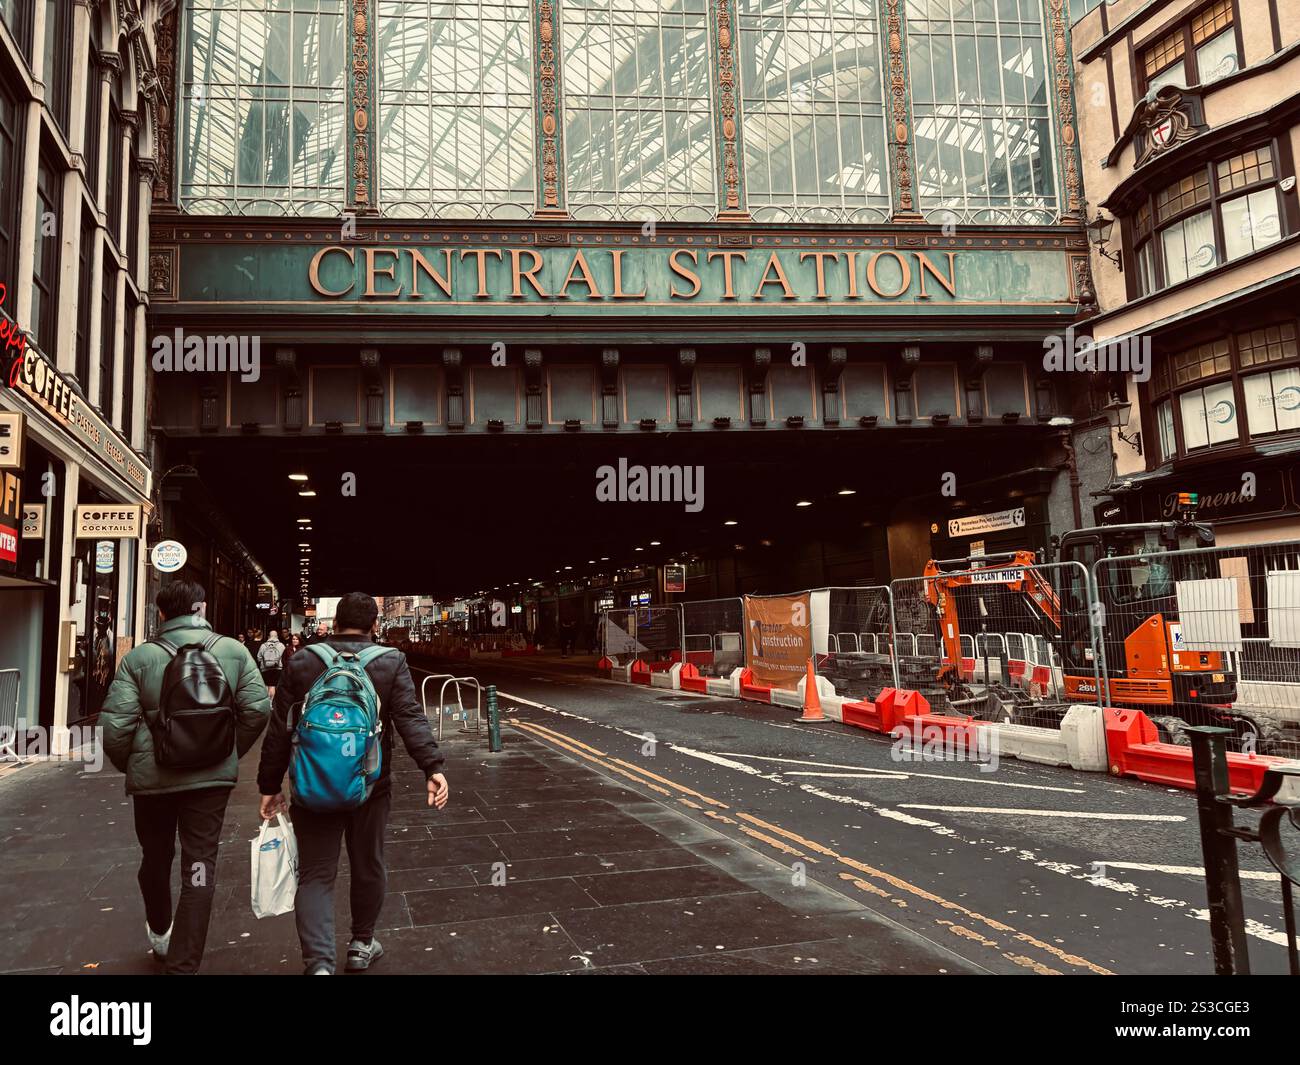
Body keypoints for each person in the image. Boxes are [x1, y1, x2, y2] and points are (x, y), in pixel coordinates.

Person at [257, 592, 448, 976]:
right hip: (370, 787)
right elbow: (410, 717)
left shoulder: (304, 661)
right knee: (369, 865)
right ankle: (361, 944)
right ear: (374, 625)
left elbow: (280, 728)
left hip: (312, 788)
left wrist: (269, 784)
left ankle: (320, 965)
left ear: (336, 622)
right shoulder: (390, 662)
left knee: (315, 874)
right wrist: (432, 767)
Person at [100, 580, 270, 975]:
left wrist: (137, 764)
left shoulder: (138, 659)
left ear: (161, 613)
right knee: (200, 866)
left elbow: (114, 728)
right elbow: (258, 710)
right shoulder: (233, 651)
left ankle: (160, 931)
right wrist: (227, 752)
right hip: (209, 784)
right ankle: (183, 965)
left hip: (153, 784)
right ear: (202, 608)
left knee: (155, 857)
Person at [256, 629, 286, 698]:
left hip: (265, 669)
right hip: (277, 669)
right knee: (273, 686)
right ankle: (271, 702)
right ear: (277, 636)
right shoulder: (281, 645)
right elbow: (284, 657)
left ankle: (267, 703)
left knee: (266, 686)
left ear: (269, 636)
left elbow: (258, 658)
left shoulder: (263, 645)